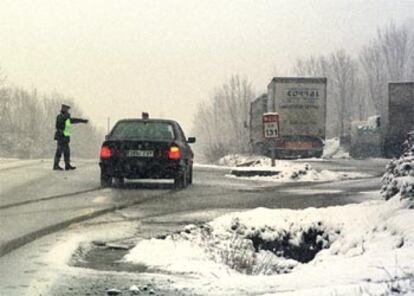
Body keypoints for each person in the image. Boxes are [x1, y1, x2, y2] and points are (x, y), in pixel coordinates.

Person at [53, 104, 88, 170]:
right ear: (63, 109)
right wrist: (81, 120)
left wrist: (82, 121)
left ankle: (67, 165)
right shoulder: (61, 117)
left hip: (65, 137)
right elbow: (59, 126)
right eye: (66, 109)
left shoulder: (65, 117)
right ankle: (56, 165)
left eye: (67, 109)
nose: (67, 111)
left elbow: (73, 120)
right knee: (59, 152)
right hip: (61, 137)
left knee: (66, 152)